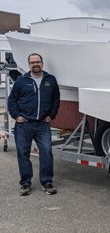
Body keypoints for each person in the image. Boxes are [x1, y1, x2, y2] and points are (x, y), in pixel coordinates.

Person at [8, 53, 60, 196]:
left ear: (42, 63)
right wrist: (17, 116)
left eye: (38, 62)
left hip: (43, 124)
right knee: (23, 154)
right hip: (24, 124)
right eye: (32, 62)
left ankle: (47, 182)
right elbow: (12, 100)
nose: (35, 64)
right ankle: (25, 183)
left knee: (47, 152)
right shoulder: (21, 81)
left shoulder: (50, 80)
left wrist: (51, 115)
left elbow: (56, 99)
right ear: (28, 65)